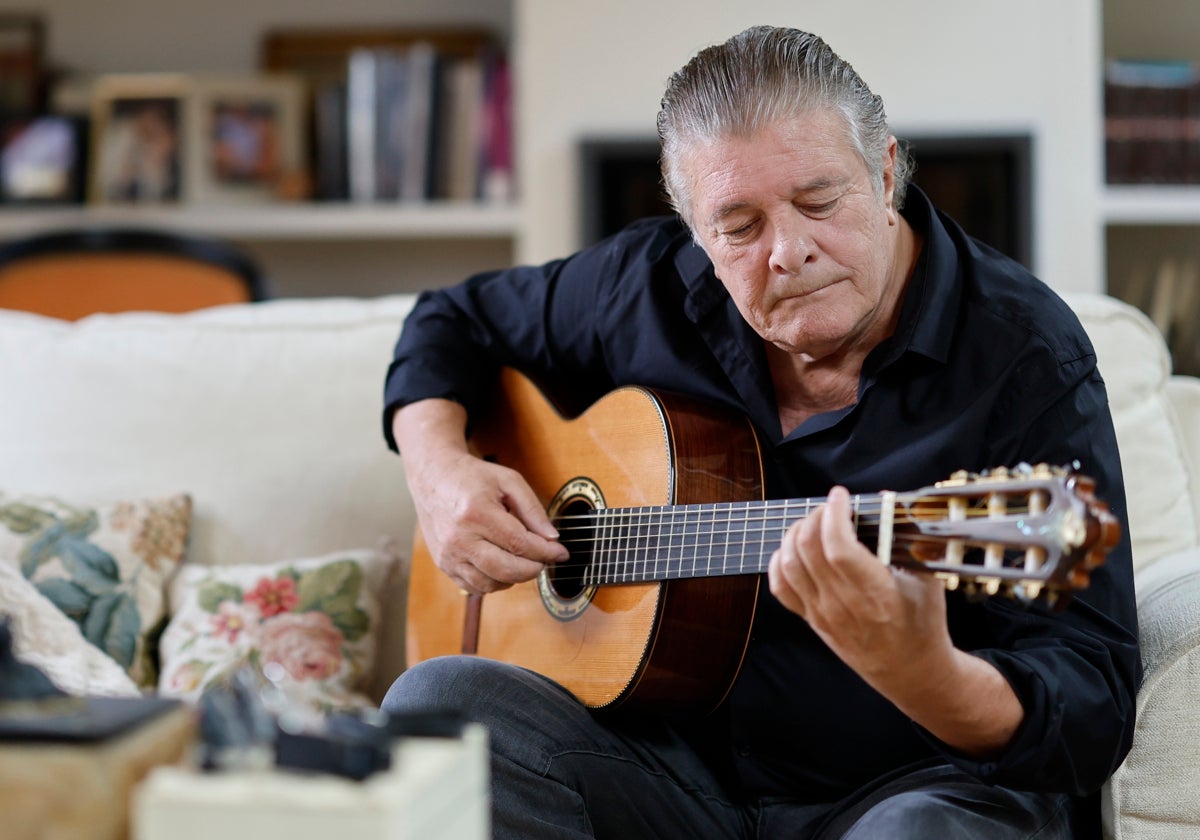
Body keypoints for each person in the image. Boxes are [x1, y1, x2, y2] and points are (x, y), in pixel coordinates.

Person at [381, 25, 1139, 839]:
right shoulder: (645, 287)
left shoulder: (1026, 355)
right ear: (695, 233)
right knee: (435, 705)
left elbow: (1090, 706)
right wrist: (439, 469)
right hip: (671, 783)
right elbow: (450, 320)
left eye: (819, 201)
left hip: (910, 789)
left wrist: (932, 677)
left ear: (885, 173)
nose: (788, 251)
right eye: (738, 228)